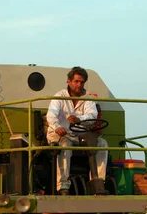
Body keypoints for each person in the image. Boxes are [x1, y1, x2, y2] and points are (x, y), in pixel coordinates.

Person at [46, 66, 108, 195]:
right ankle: (63, 186)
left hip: (80, 135)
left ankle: (98, 184)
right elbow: (51, 115)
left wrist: (78, 119)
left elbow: (92, 117)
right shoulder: (59, 96)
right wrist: (58, 127)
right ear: (68, 81)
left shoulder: (88, 98)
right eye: (76, 81)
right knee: (64, 145)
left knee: (102, 144)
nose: (79, 85)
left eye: (82, 82)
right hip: (60, 134)